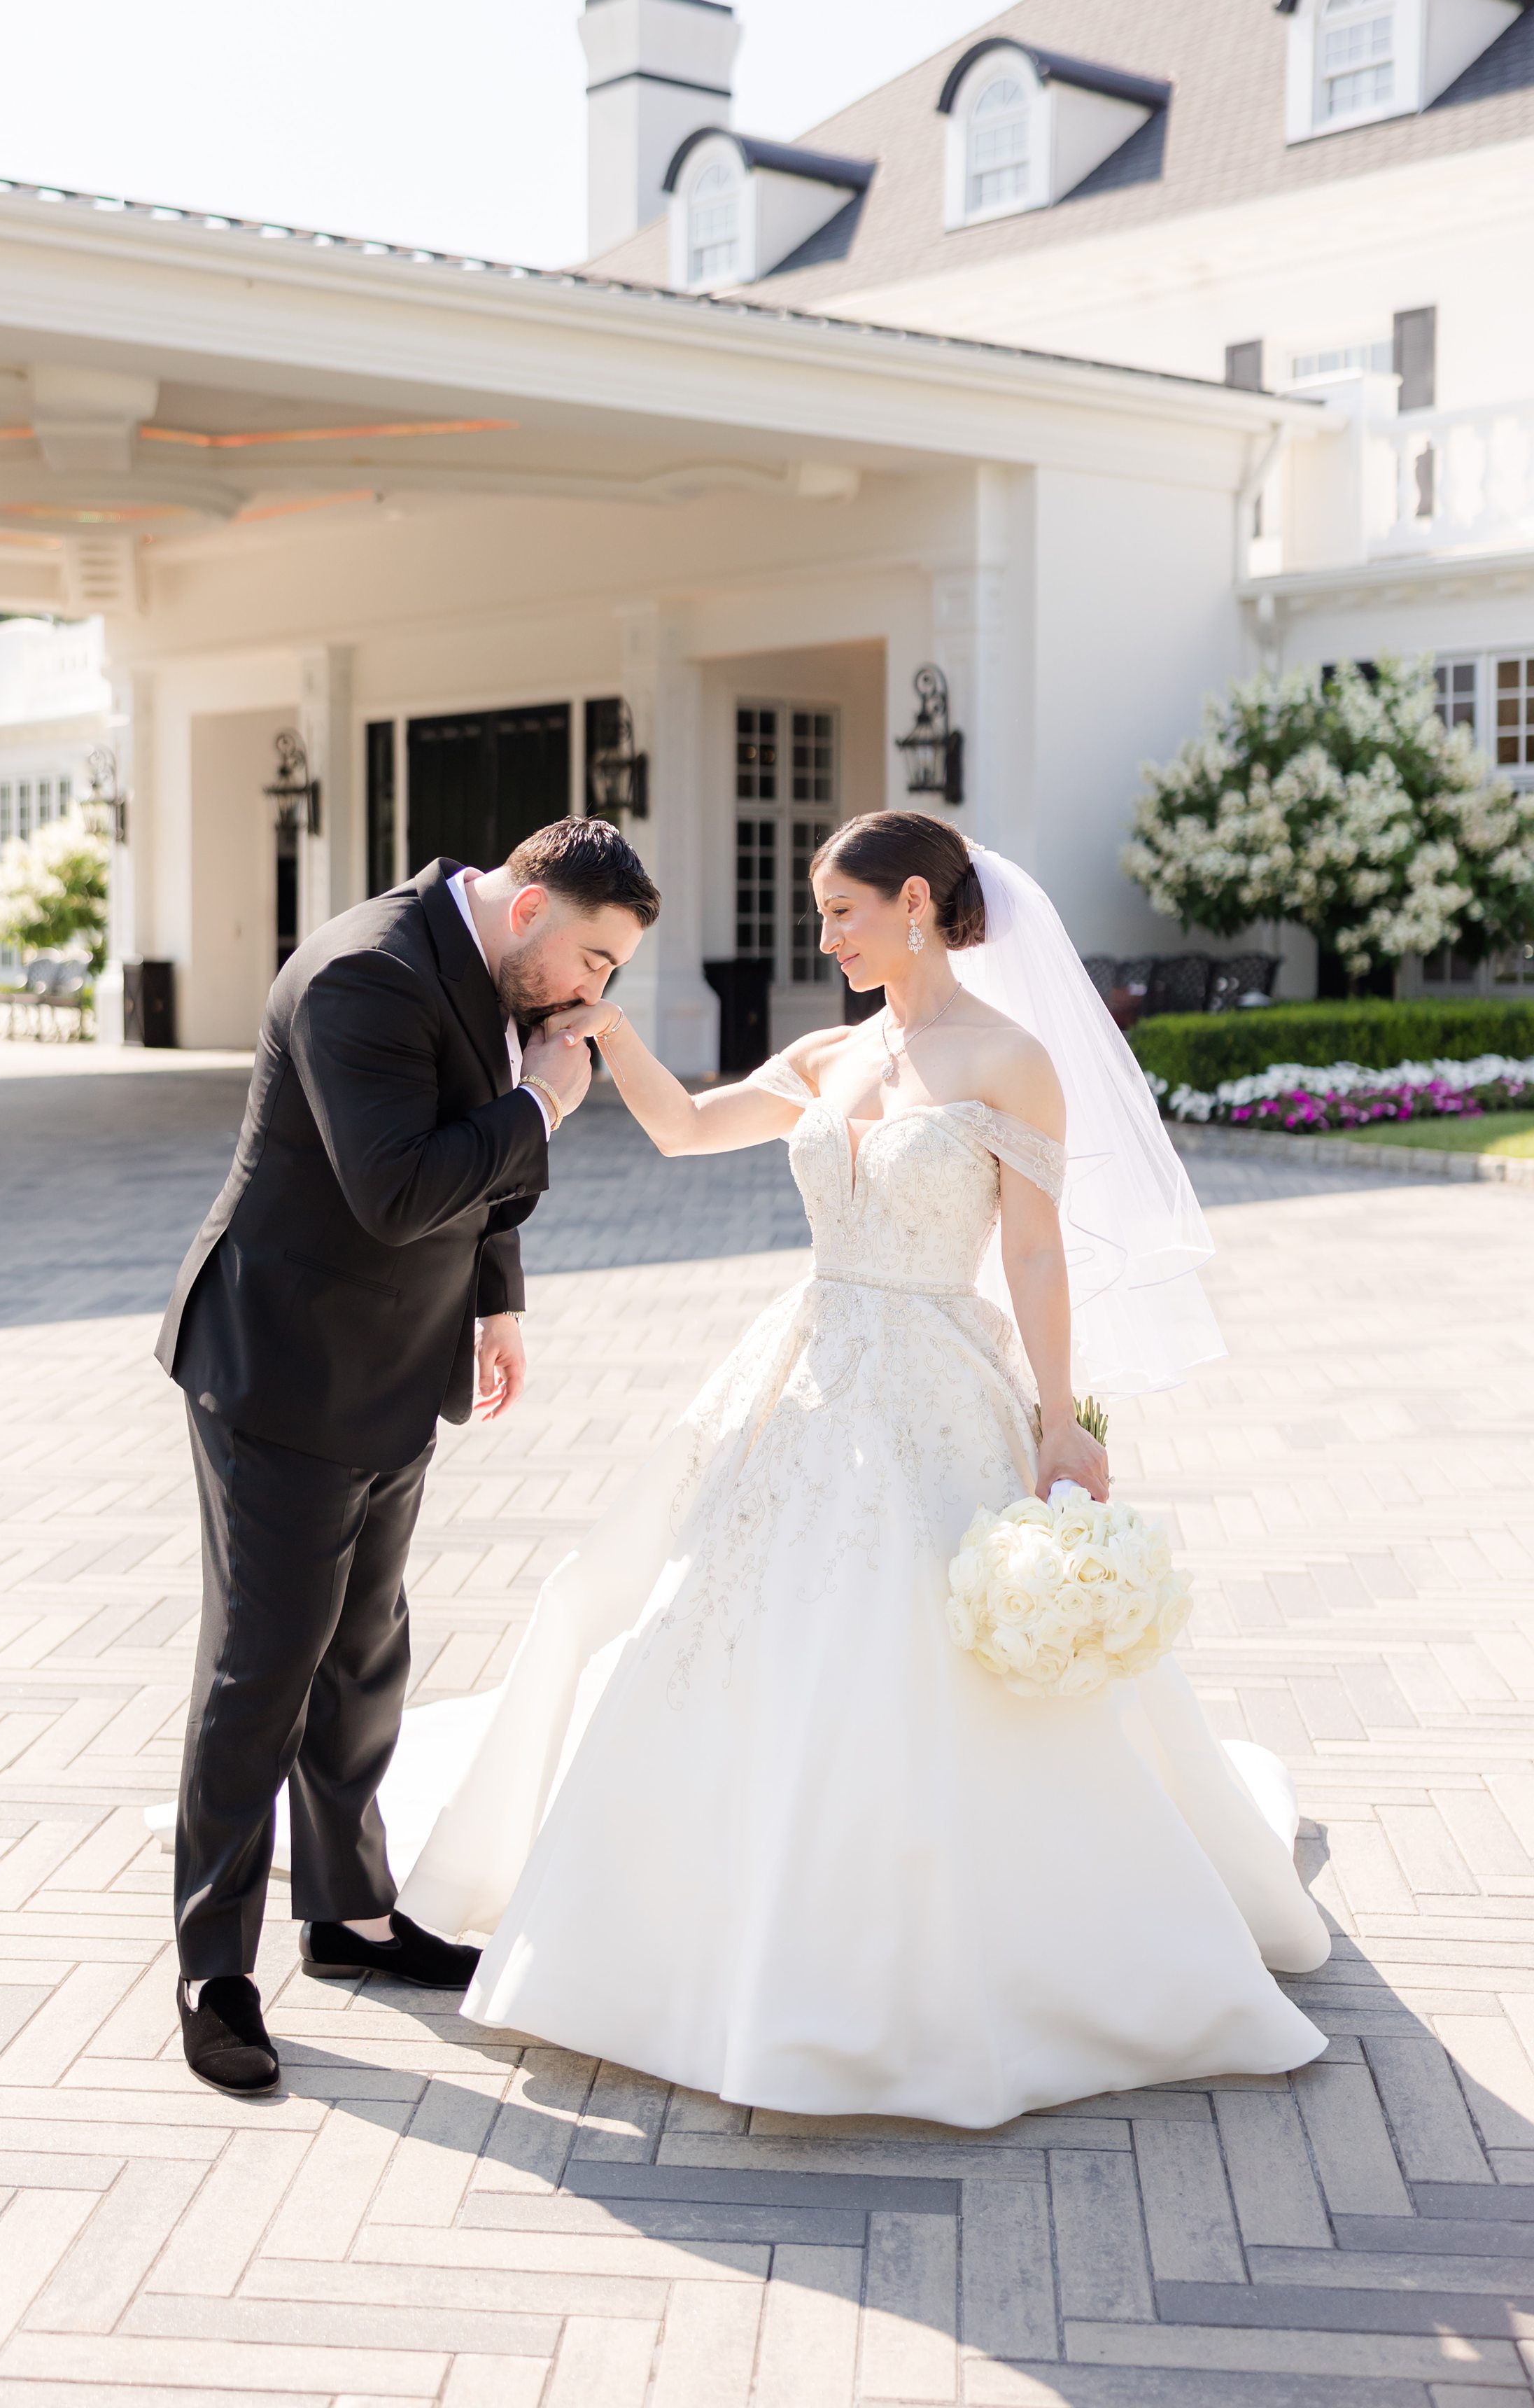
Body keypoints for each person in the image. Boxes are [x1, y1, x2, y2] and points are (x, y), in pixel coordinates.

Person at [387, 809, 1330, 2131]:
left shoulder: (1011, 1060)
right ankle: (708, 1942)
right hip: (809, 1365)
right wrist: (603, 1036)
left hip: (937, 1373)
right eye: (822, 914)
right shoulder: (832, 1052)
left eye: (844, 913)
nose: (825, 937)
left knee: (927, 1650)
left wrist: (1066, 1422)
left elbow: (1041, 1257)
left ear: (922, 909)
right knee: (726, 1628)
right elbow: (689, 1128)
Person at [153, 816, 659, 2091]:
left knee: (366, 1646)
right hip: (283, 1367)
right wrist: (546, 1096)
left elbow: (476, 1162)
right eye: (596, 959)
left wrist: (498, 1298)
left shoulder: (488, 967)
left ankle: (349, 1913)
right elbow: (398, 1185)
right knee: (262, 1666)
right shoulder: (363, 974)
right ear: (533, 904)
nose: (597, 994)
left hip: (394, 1360)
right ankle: (216, 1968)